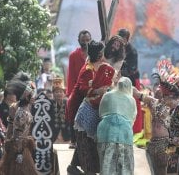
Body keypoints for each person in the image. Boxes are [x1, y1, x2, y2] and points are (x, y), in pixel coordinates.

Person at [67, 40, 105, 174]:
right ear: (100, 55)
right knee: (87, 147)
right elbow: (84, 89)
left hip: (91, 110)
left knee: (85, 144)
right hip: (83, 110)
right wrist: (98, 91)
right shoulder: (88, 70)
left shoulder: (97, 67)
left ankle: (73, 167)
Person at [0, 72, 37, 175]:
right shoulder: (19, 110)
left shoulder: (27, 107)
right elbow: (15, 132)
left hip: (23, 146)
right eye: (30, 94)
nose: (33, 96)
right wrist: (18, 151)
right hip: (18, 147)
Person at [97, 77, 137, 175]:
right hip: (124, 134)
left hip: (106, 131)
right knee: (125, 166)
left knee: (106, 163)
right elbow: (132, 118)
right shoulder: (131, 99)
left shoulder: (107, 95)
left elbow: (101, 112)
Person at [118, 28, 143, 134]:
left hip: (131, 80)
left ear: (126, 39)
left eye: (121, 38)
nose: (118, 40)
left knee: (133, 104)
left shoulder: (132, 51)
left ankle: (135, 130)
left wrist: (119, 74)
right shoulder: (116, 48)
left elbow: (131, 69)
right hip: (118, 80)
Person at [51, 77, 71, 143]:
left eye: (60, 92)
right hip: (53, 134)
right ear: (53, 94)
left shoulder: (68, 103)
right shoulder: (50, 103)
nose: (59, 94)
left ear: (64, 93)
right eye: (56, 92)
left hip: (66, 134)